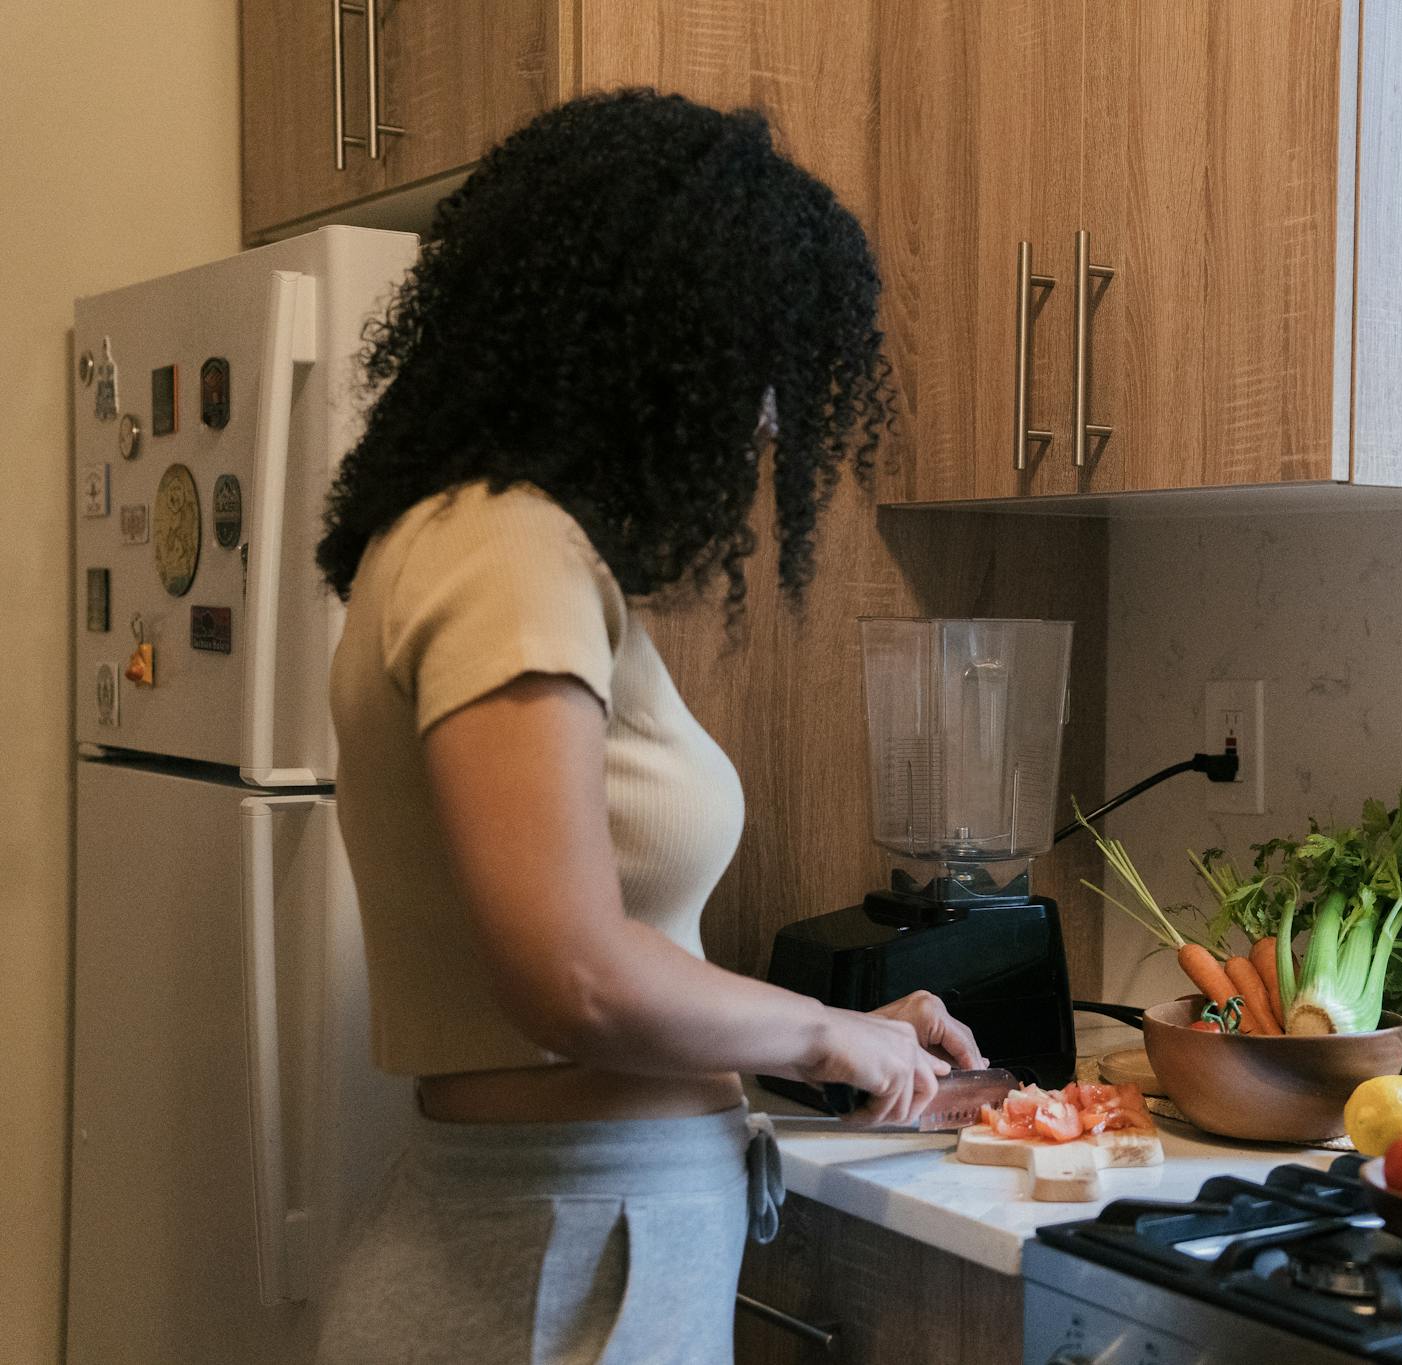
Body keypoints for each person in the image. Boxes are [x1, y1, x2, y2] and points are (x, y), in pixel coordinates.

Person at [313, 89, 983, 1365]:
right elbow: (569, 976)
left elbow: (605, 952)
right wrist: (822, 1030)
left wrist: (821, 1035)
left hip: (569, 1235)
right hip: (553, 1253)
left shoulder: (483, 541)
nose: (772, 419)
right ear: (659, 341)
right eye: (759, 367)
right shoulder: (509, 547)